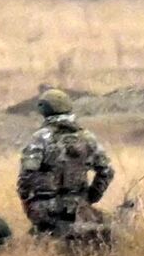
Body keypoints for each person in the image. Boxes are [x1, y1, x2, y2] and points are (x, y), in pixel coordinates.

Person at [17, 88, 115, 237]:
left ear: (45, 110)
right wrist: (91, 197)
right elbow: (106, 171)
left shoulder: (40, 138)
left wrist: (27, 199)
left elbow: (27, 175)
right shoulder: (87, 138)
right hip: (79, 208)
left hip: (45, 209)